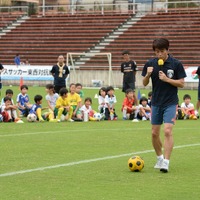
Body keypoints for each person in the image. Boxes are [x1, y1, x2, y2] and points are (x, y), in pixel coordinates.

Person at [142, 38, 186, 173]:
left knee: (167, 131)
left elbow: (182, 83)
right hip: (156, 102)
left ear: (167, 50)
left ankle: (166, 162)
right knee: (155, 133)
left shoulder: (176, 64)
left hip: (171, 102)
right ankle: (159, 157)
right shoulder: (150, 63)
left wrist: (167, 79)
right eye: (156, 52)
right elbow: (144, 83)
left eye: (161, 51)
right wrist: (148, 75)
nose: (159, 54)